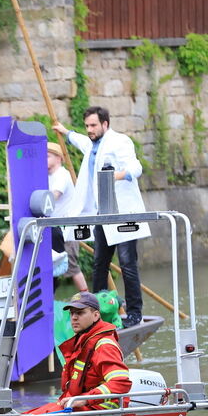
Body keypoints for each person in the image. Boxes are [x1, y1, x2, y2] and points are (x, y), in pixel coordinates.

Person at [53, 107, 149, 328]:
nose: (89, 130)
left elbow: (136, 166)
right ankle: (94, 311)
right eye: (87, 126)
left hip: (123, 214)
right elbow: (79, 141)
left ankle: (135, 313)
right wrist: (66, 132)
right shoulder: (91, 144)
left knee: (127, 263)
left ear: (105, 124)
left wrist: (119, 175)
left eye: (93, 125)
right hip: (101, 215)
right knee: (99, 264)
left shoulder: (120, 141)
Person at [26, 291, 131, 415]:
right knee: (29, 415)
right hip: (80, 408)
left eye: (80, 313)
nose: (74, 317)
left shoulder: (104, 345)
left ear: (96, 315)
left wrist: (85, 399)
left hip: (99, 412)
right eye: (72, 313)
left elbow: (121, 382)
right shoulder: (82, 342)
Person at [46, 141, 88, 292]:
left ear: (59, 158)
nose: (44, 159)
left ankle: (87, 298)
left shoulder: (62, 175)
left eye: (48, 156)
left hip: (67, 230)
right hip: (53, 231)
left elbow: (52, 198)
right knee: (51, 267)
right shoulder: (47, 177)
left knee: (71, 265)